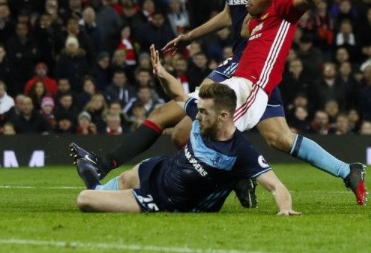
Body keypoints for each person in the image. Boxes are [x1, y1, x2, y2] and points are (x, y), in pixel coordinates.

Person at [70, 0, 366, 207]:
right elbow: (227, 15)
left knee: (182, 124)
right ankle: (347, 170)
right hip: (250, 68)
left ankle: (108, 165)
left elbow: (283, 18)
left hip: (248, 66)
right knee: (279, 137)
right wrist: (190, 36)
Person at [73, 64, 300, 215]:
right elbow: (179, 95)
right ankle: (99, 184)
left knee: (85, 199)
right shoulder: (200, 113)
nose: (196, 116)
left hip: (163, 200)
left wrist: (285, 208)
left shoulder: (241, 151)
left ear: (223, 116)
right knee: (123, 179)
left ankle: (94, 184)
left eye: (203, 113)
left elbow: (276, 187)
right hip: (159, 168)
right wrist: (162, 73)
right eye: (198, 110)